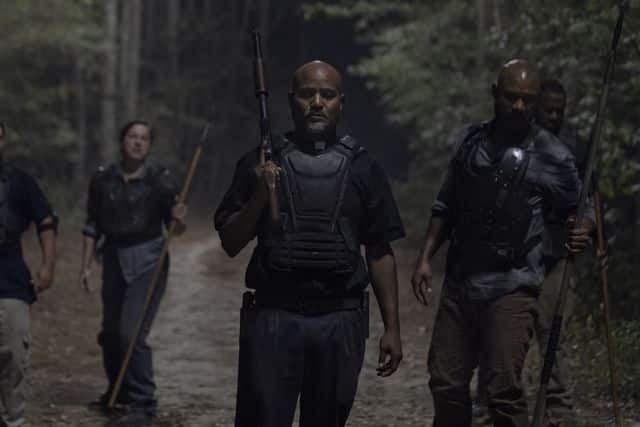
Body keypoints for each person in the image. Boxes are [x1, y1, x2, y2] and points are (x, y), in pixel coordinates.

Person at [215, 60, 404, 427]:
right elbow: (230, 242)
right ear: (291, 101)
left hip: (339, 319)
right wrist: (259, 196)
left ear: (340, 103)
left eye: (327, 95)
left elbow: (380, 250)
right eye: (307, 94)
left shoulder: (364, 168)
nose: (317, 103)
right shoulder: (260, 162)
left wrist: (392, 328)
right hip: (273, 317)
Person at [411, 60, 594, 426]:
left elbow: (580, 205)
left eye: (528, 99)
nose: (519, 106)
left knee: (502, 391)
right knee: (446, 382)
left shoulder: (552, 154)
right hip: (461, 281)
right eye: (511, 97)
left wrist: (583, 226)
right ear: (495, 94)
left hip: (513, 285)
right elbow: (446, 203)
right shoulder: (469, 143)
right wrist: (425, 257)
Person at [78, 120, 187, 422]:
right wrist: (85, 266)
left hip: (149, 260)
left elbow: (176, 228)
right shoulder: (103, 179)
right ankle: (117, 393)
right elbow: (92, 225)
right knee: (111, 334)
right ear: (122, 141)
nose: (138, 142)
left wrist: (179, 219)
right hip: (113, 258)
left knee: (131, 332)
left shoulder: (160, 180)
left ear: (149, 145)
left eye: (144, 138)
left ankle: (143, 400)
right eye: (132, 136)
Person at [0, 121, 57, 427]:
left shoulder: (19, 182)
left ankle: (14, 419)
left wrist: (48, 265)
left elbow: (45, 221)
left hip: (9, 278)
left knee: (13, 355)